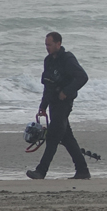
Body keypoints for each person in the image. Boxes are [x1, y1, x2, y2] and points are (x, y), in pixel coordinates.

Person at [28, 31, 91, 180]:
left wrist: (66, 91)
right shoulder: (48, 61)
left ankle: (41, 171)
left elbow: (83, 77)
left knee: (53, 137)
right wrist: (43, 106)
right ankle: (82, 170)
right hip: (53, 104)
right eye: (46, 45)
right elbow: (47, 85)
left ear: (58, 44)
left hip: (64, 103)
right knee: (67, 138)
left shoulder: (68, 59)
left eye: (49, 45)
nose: (47, 48)